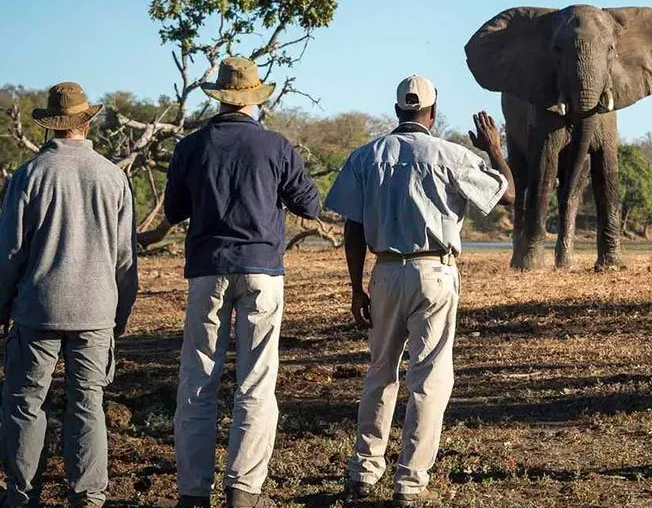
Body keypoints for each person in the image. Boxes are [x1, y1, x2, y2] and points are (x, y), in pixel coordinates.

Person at [326, 75, 514, 505]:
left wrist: (356, 288)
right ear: (433, 112)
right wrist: (495, 150)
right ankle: (410, 483)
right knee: (429, 376)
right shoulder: (451, 155)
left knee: (380, 372)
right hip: (435, 270)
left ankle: (363, 471)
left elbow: (352, 229)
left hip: (386, 271)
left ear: (397, 111)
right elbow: (510, 196)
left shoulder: (367, 157)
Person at [164, 57, 322, 508]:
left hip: (207, 270)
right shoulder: (275, 145)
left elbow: (175, 210)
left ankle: (193, 493)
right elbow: (309, 205)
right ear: (255, 99)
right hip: (262, 271)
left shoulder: (191, 147)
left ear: (219, 98)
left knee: (197, 380)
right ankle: (244, 491)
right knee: (256, 382)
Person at [0, 82, 138, 507]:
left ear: (50, 125)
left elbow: (10, 253)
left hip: (38, 309)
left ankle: (22, 496)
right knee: (88, 405)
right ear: (86, 119)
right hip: (96, 311)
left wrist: (2, 306)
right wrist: (121, 313)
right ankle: (89, 496)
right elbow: (124, 257)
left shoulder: (29, 174)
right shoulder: (112, 176)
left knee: (25, 405)